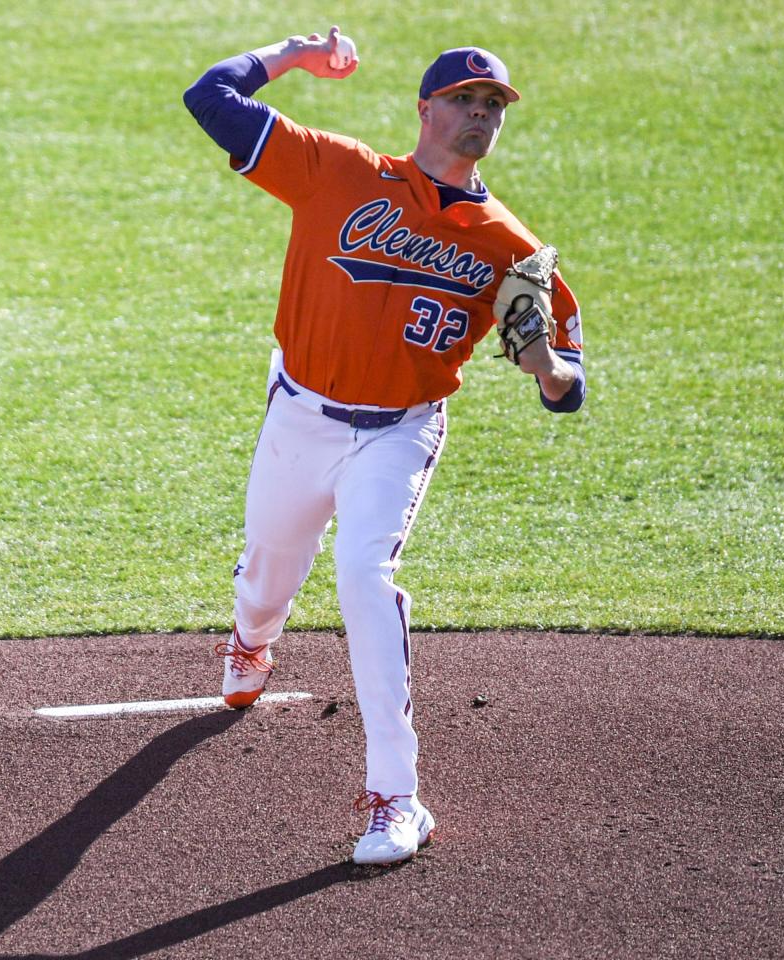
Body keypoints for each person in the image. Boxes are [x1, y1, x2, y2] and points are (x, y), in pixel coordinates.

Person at [183, 26, 585, 866]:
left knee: (365, 577)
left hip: (400, 431)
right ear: (425, 109)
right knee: (268, 572)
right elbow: (210, 99)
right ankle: (252, 638)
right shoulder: (340, 171)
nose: (477, 117)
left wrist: (544, 361)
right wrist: (293, 55)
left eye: (491, 107)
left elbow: (567, 390)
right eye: (462, 101)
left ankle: (395, 796)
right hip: (300, 413)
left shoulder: (510, 246)